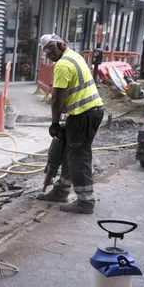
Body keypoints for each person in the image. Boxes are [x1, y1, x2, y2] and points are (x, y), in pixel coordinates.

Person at [37, 33, 105, 214]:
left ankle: (85, 202)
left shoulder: (63, 65)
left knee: (79, 156)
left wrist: (54, 123)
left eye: (50, 50)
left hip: (84, 115)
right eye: (46, 52)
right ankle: (61, 191)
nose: (49, 55)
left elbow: (58, 97)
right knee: (70, 152)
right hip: (86, 113)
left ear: (60, 45)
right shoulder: (74, 56)